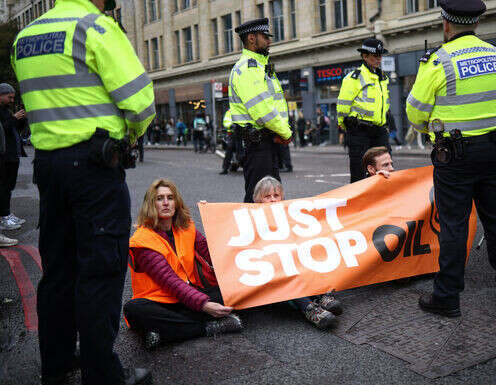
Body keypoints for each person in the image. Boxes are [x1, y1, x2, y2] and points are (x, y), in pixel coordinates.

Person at [12, 0, 156, 383]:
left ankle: (57, 364)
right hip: (94, 166)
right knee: (102, 268)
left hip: (49, 166)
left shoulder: (25, 37)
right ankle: (102, 373)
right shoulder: (94, 26)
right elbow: (140, 99)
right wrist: (131, 136)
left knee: (58, 271)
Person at [406, 0, 496, 317]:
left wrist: (430, 127)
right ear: (476, 23)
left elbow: (414, 111)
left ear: (446, 24)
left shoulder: (439, 61)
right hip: (494, 151)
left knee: (454, 225)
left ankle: (447, 296)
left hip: (455, 156)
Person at [123, 179, 243, 350]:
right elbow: (170, 282)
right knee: (134, 309)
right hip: (159, 301)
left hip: (189, 297)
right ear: (151, 204)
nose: (165, 203)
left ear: (176, 202)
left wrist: (214, 217)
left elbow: (212, 252)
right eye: (159, 198)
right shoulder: (142, 240)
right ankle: (207, 327)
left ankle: (164, 332)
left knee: (232, 291)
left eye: (170, 198)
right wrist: (204, 305)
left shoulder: (187, 227)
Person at [253, 176, 342, 329]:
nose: (273, 200)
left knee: (309, 257)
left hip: (295, 261)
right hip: (274, 270)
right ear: (258, 200)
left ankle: (321, 296)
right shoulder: (249, 220)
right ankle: (309, 308)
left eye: (276, 196)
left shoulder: (289, 215)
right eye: (267, 196)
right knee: (286, 273)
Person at [228, 18, 293, 203]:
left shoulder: (260, 67)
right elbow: (262, 110)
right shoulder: (249, 69)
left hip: (266, 142)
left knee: (271, 195)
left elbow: (274, 105)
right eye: (265, 37)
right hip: (257, 144)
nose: (269, 41)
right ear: (251, 38)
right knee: (258, 198)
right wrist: (286, 132)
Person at [337, 38, 391, 183]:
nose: (378, 59)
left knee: (386, 168)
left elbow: (384, 104)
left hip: (379, 130)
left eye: (380, 55)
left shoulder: (383, 78)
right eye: (375, 56)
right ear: (365, 56)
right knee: (359, 173)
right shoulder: (354, 78)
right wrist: (345, 126)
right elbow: (342, 106)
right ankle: (359, 203)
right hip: (359, 130)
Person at [0, 83, 27, 232]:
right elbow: (3, 129)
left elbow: (15, 129)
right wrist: (14, 118)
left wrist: (22, 119)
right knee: (3, 187)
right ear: (1, 95)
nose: (11, 100)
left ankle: (7, 214)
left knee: (9, 187)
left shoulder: (7, 111)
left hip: (13, 155)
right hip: (4, 156)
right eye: (9, 97)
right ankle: (3, 217)